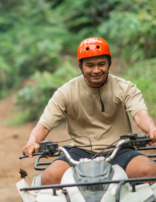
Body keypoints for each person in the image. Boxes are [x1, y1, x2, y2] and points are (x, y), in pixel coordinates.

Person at [23, 37, 156, 185]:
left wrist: (151, 128)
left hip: (120, 150)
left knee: (150, 171)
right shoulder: (66, 92)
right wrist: (32, 142)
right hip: (79, 151)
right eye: (90, 65)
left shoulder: (126, 88)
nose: (96, 70)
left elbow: (140, 115)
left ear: (109, 63)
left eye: (101, 64)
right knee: (49, 178)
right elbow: (43, 125)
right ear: (80, 66)